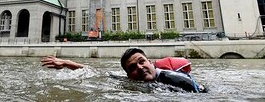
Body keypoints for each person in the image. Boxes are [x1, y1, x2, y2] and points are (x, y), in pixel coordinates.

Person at [41, 47, 206, 93]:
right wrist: (66, 63)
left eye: (142, 62)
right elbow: (99, 72)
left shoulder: (174, 79)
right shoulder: (130, 80)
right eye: (133, 67)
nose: (140, 68)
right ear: (129, 75)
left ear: (150, 62)